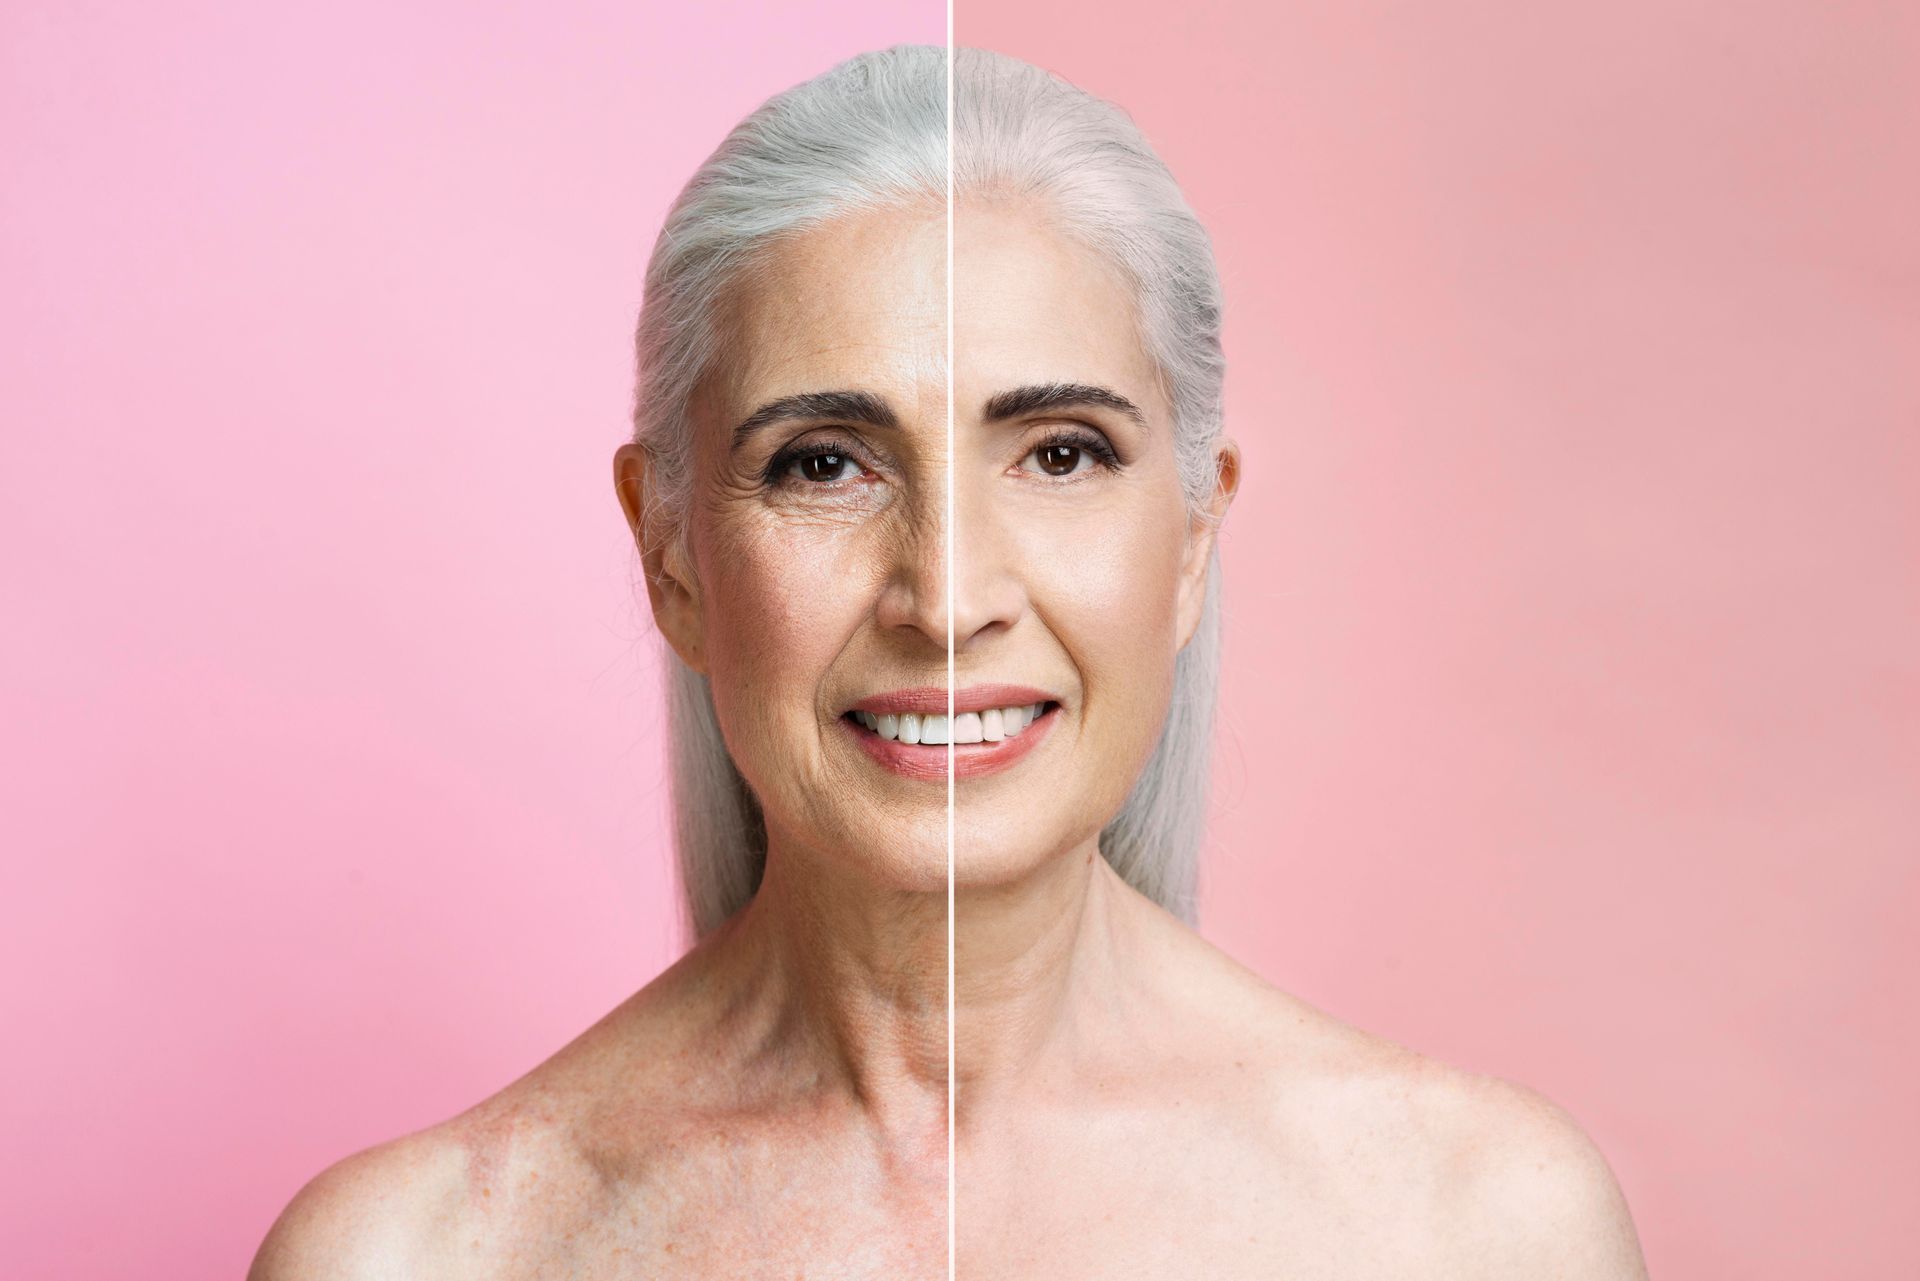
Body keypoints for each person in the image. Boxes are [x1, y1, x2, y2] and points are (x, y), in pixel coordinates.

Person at [250, 45, 1649, 1278]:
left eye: (1059, 453)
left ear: (1192, 534)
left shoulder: (1479, 1229)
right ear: (672, 553)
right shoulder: (415, 1254)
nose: (949, 593)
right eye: (825, 463)